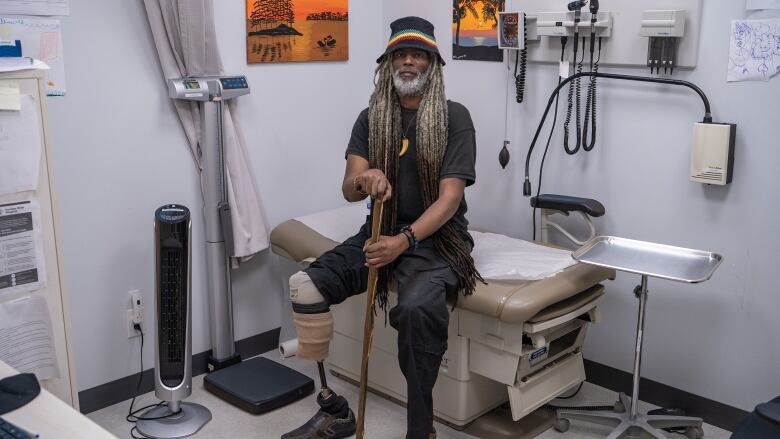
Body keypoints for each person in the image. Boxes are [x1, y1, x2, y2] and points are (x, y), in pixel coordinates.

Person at [281, 16, 481, 439]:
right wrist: (365, 178)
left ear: (432, 64)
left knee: (415, 309)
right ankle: (334, 407)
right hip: (379, 229)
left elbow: (450, 199)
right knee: (306, 287)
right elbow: (350, 187)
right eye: (400, 55)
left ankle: (421, 429)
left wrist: (403, 241)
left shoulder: (453, 117)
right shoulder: (371, 118)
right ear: (388, 64)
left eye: (418, 55)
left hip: (436, 241)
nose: (408, 62)